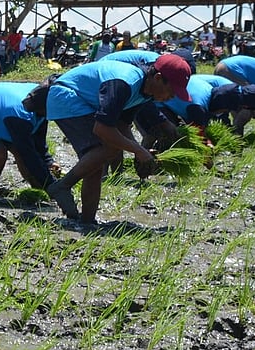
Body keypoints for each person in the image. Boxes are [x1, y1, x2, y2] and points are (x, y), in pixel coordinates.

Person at [40, 54, 193, 225]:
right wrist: (138, 150)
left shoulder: (145, 93)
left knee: (97, 160)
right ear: (158, 78)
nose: (172, 97)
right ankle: (62, 186)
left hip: (84, 102)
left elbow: (121, 126)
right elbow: (103, 128)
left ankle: (87, 221)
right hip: (67, 95)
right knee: (108, 149)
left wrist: (139, 153)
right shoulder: (125, 83)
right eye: (172, 91)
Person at [0, 82, 57, 201]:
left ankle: (40, 192)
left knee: (21, 152)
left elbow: (38, 138)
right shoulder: (21, 114)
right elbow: (28, 153)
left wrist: (48, 161)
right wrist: (52, 184)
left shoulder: (42, 97)